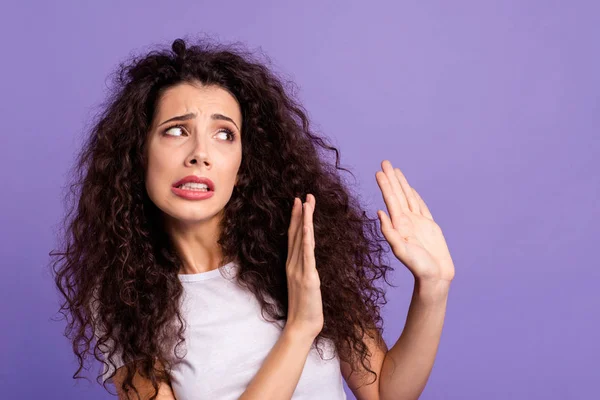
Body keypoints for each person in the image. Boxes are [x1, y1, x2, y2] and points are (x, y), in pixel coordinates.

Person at [50, 36, 455, 400]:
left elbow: (385, 393)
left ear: (244, 163)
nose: (200, 153)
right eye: (176, 130)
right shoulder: (122, 298)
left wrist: (433, 288)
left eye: (224, 134)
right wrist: (298, 330)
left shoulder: (299, 251)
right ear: (138, 152)